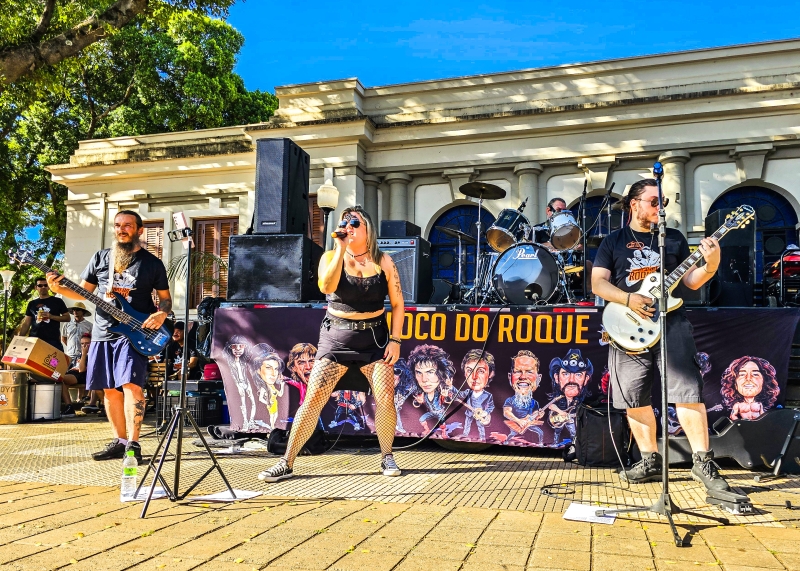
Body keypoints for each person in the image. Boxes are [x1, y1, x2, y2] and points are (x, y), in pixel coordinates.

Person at [591, 178, 729, 492]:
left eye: (662, 202)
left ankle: (703, 462)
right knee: (633, 396)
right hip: (627, 327)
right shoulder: (613, 241)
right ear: (633, 203)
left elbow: (692, 282)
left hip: (671, 322)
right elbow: (598, 284)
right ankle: (650, 460)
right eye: (654, 201)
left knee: (687, 391)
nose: (660, 207)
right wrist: (627, 299)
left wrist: (712, 262)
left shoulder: (674, 238)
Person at [257, 205, 405, 482]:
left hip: (374, 338)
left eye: (355, 223)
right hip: (336, 338)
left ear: (367, 230)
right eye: (345, 223)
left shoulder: (383, 260)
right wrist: (340, 248)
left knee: (385, 397)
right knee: (313, 398)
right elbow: (326, 286)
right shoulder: (330, 256)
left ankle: (386, 456)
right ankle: (286, 462)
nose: (349, 227)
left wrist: (395, 340)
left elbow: (398, 304)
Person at [46, 210, 171, 463]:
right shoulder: (101, 258)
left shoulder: (152, 263)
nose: (121, 229)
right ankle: (120, 441)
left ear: (139, 230)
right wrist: (57, 288)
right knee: (109, 390)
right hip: (103, 332)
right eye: (117, 225)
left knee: (131, 386)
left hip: (134, 333)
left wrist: (161, 315)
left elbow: (165, 300)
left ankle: (134, 445)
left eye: (127, 225)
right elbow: (83, 293)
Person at [408, 344, 459, 435]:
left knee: (442, 423)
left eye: (430, 372)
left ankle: (444, 433)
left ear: (441, 373)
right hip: (431, 413)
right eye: (419, 373)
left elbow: (451, 398)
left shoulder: (443, 390)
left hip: (439, 413)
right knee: (422, 419)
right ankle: (427, 430)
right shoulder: (420, 392)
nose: (424, 379)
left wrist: (445, 395)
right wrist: (419, 401)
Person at [546, 349, 593, 445]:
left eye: (578, 374)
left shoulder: (581, 401)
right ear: (556, 378)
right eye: (566, 374)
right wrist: (561, 413)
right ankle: (555, 443)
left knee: (573, 432)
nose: (571, 380)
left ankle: (575, 445)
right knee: (557, 431)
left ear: (586, 379)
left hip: (570, 419)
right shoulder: (559, 398)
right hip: (559, 418)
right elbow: (551, 406)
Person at [502, 350, 544, 446]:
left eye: (529, 372)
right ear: (510, 377)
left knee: (540, 432)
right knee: (512, 434)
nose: (523, 377)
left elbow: (535, 415)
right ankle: (506, 442)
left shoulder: (535, 403)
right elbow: (506, 412)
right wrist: (518, 421)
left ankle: (541, 444)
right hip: (517, 424)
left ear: (539, 378)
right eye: (517, 371)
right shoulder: (510, 400)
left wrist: (539, 415)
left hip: (527, 424)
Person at [20, 276, 70, 352]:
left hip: (52, 340)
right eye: (40, 285)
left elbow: (67, 318)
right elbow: (27, 323)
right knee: (33, 363)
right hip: (34, 339)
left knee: (54, 363)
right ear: (35, 287)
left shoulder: (57, 301)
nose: (43, 287)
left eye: (45, 285)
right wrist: (20, 338)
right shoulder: (32, 303)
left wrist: (51, 316)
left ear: (49, 287)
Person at [459, 349, 496, 442]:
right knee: (467, 424)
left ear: (490, 374)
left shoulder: (488, 395)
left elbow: (491, 406)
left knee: (480, 426)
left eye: (481, 371)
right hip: (469, 413)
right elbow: (458, 394)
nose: (474, 377)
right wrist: (450, 388)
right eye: (469, 371)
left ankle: (482, 437)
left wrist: (486, 412)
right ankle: (465, 434)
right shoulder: (467, 392)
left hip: (480, 415)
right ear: (464, 373)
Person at [60, 334, 91, 417]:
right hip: (71, 373)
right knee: (59, 381)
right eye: (82, 343)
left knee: (59, 379)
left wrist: (84, 355)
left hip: (81, 376)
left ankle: (69, 407)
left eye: (87, 343)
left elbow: (81, 370)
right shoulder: (78, 355)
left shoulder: (92, 355)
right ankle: (67, 407)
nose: (84, 345)